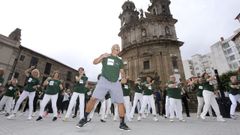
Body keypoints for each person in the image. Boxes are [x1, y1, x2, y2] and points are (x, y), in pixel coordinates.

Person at [76, 44, 130, 131]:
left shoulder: (119, 61)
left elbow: (122, 71)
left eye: (118, 49)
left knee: (120, 102)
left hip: (115, 82)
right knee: (93, 99)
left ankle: (122, 123)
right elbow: (94, 62)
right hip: (104, 80)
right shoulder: (106, 57)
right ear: (112, 49)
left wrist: (123, 77)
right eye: (116, 48)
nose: (117, 50)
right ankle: (84, 119)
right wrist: (101, 56)